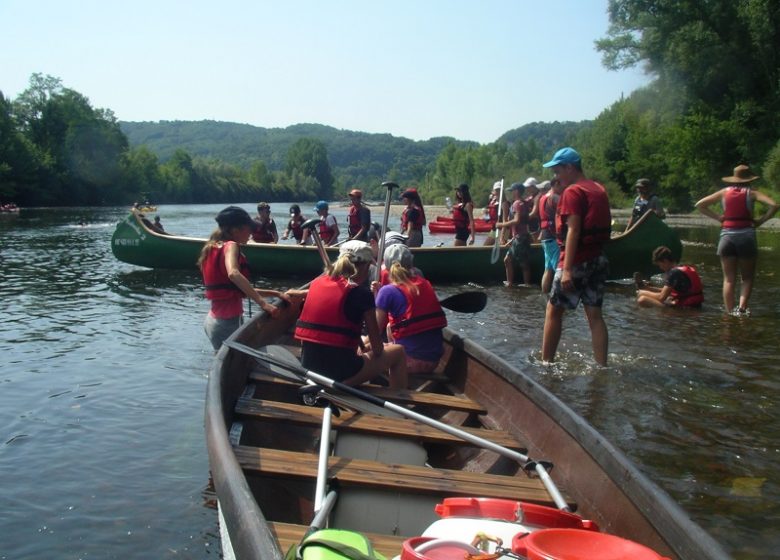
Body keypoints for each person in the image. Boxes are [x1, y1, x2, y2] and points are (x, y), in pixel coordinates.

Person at [294, 240, 407, 389]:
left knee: (358, 351)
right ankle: (399, 404)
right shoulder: (362, 294)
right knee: (398, 352)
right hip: (339, 376)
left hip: (309, 368)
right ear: (366, 267)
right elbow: (378, 350)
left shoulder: (316, 283)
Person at [540, 147, 612, 366]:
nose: (556, 176)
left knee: (553, 311)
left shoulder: (573, 192)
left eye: (558, 171)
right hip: (598, 260)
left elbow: (573, 230)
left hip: (576, 260)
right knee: (595, 316)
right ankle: (601, 366)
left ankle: (546, 363)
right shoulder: (598, 189)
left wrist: (568, 269)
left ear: (570, 167)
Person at [198, 206, 291, 351]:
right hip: (227, 323)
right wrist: (263, 304)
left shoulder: (211, 248)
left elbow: (238, 289)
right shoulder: (231, 245)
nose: (251, 233)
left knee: (223, 363)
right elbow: (233, 274)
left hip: (213, 321)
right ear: (236, 231)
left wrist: (275, 293)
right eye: (249, 229)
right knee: (230, 368)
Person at [694, 164, 779, 314]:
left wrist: (719, 218)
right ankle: (741, 309)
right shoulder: (752, 192)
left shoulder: (723, 192)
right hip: (746, 237)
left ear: (733, 179)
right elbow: (774, 205)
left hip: (726, 237)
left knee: (728, 279)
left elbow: (699, 205)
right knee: (746, 278)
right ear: (749, 180)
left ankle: (729, 311)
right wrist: (760, 220)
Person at [374, 244, 446, 374]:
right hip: (434, 361)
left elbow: (374, 332)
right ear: (411, 264)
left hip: (409, 363)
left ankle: (395, 386)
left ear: (387, 266)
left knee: (365, 350)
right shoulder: (424, 283)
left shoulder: (387, 291)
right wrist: (379, 296)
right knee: (390, 326)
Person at [636, 246, 704, 308]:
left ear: (665, 261)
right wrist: (648, 288)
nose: (661, 268)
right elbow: (668, 292)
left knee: (642, 299)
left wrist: (642, 292)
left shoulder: (673, 273)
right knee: (642, 293)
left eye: (660, 265)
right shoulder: (681, 268)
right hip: (696, 306)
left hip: (684, 309)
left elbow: (661, 298)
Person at [495, 182, 532, 286]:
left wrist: (502, 224)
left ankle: (518, 283)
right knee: (519, 262)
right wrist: (512, 239)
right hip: (521, 237)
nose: (511, 193)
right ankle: (522, 284)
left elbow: (516, 220)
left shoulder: (516, 204)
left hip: (520, 238)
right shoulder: (523, 203)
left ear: (516, 191)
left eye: (512, 191)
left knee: (518, 262)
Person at [537, 179, 563, 294]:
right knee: (559, 268)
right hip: (553, 236)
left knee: (548, 268)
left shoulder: (542, 198)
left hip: (545, 236)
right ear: (555, 184)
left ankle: (545, 294)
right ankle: (557, 296)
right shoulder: (555, 197)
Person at [483, 181, 503, 247]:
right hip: (494, 228)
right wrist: (486, 214)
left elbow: (506, 219)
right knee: (485, 246)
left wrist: (503, 236)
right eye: (496, 190)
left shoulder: (504, 202)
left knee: (500, 247)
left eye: (499, 190)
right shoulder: (492, 202)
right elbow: (487, 220)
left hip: (501, 229)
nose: (497, 192)